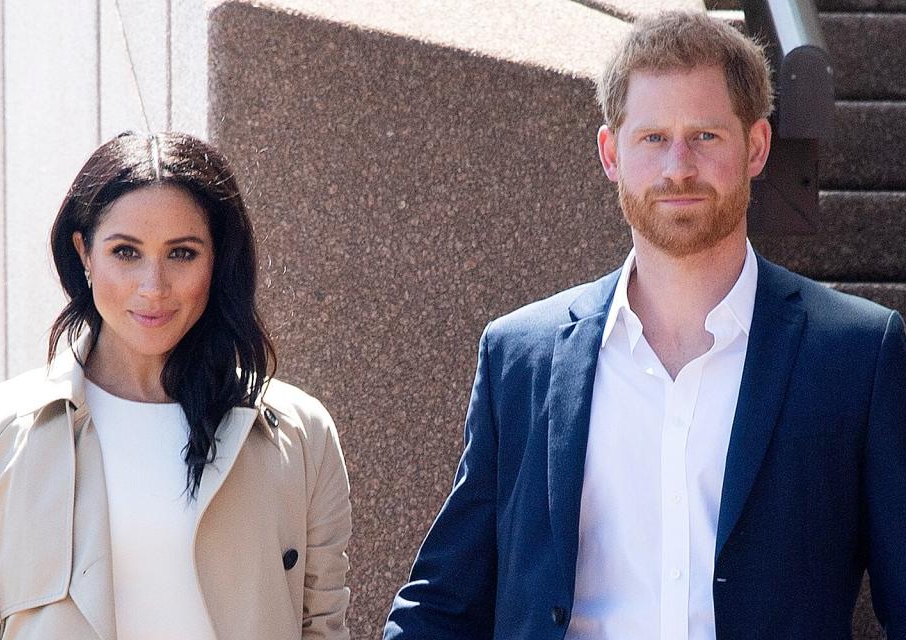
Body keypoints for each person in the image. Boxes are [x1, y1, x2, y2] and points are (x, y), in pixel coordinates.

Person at [384, 10, 906, 640]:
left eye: (706, 137)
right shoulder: (521, 356)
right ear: (612, 152)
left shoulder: (857, 354)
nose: (678, 167)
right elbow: (443, 603)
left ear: (758, 147)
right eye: (653, 137)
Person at [0, 132, 351, 639]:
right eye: (126, 252)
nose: (153, 286)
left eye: (181, 253)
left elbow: (323, 626)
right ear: (84, 253)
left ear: (217, 260)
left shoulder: (301, 433)